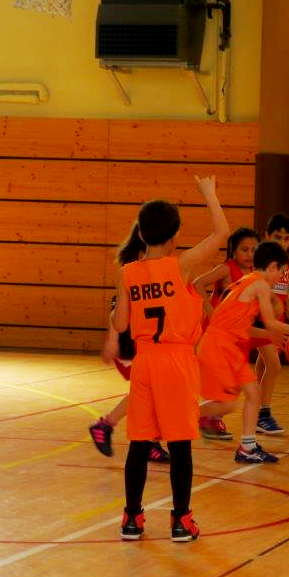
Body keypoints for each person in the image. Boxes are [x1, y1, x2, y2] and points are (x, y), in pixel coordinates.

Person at [112, 176, 229, 541]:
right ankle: (181, 520)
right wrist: (209, 194)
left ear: (140, 233)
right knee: (179, 444)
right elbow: (222, 234)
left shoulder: (128, 272)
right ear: (175, 236)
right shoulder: (181, 265)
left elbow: (120, 324)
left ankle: (132, 519)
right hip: (176, 361)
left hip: (144, 362)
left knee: (139, 442)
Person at [197, 241, 289, 464]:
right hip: (220, 346)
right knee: (227, 404)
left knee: (253, 394)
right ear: (272, 267)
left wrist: (270, 336)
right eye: (281, 273)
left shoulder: (247, 282)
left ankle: (248, 447)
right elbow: (270, 322)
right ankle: (176, 415)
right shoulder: (260, 284)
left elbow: (242, 327)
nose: (281, 278)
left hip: (228, 344)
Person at [87, 223, 170, 464]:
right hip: (130, 345)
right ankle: (109, 426)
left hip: (147, 343)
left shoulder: (158, 266)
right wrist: (112, 339)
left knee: (151, 392)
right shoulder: (135, 268)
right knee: (149, 391)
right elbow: (118, 307)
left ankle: (143, 438)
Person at [191, 227, 261, 440]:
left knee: (234, 384)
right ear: (233, 251)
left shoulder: (256, 274)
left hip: (235, 335)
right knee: (224, 382)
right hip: (217, 333)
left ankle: (210, 416)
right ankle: (204, 416)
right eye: (244, 250)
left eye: (254, 250)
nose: (249, 254)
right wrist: (211, 312)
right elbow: (197, 283)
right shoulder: (227, 269)